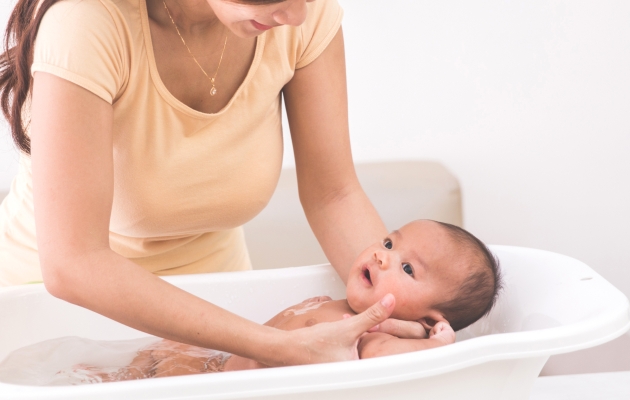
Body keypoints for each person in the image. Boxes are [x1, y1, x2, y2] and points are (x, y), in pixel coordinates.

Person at [0, 0, 427, 368]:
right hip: (52, 316)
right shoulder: (88, 24)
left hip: (222, 306)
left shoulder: (301, 15)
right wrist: (277, 347)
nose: (297, 14)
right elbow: (74, 263)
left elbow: (333, 194)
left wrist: (406, 320)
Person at [65, 220, 502, 382]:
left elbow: (395, 368)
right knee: (150, 355)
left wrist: (434, 346)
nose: (382, 255)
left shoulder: (374, 338)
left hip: (216, 381)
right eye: (389, 241)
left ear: (431, 319)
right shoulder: (350, 313)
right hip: (213, 359)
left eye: (407, 269)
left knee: (137, 373)